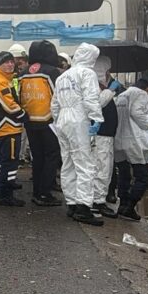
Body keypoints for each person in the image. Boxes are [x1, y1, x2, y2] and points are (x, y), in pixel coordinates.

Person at [51, 43, 104, 226]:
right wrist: (96, 119)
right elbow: (91, 98)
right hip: (79, 118)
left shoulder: (63, 76)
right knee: (85, 164)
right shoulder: (87, 74)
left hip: (63, 120)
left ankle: (72, 203)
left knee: (68, 163)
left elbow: (55, 104)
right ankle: (84, 207)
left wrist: (58, 121)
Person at [18, 40, 63, 206]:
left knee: (37, 158)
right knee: (51, 156)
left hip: (30, 120)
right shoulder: (52, 72)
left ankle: (37, 191)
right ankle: (44, 193)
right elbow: (58, 96)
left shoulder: (23, 72)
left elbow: (19, 94)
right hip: (49, 121)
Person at [113, 78, 148, 221]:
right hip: (135, 140)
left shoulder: (122, 95)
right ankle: (130, 207)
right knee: (143, 176)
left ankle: (122, 204)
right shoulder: (141, 94)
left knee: (124, 174)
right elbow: (137, 113)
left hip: (119, 139)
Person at [0, 52, 26, 207]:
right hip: (7, 127)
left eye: (11, 62)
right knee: (10, 163)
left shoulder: (5, 79)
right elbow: (9, 105)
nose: (10, 65)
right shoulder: (0, 81)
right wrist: (25, 115)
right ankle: (6, 194)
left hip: (3, 128)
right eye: (6, 62)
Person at [89, 56, 119, 218]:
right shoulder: (95, 87)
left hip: (106, 134)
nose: (109, 74)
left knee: (104, 168)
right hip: (100, 134)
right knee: (101, 168)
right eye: (107, 71)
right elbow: (97, 104)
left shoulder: (102, 86)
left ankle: (98, 199)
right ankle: (97, 201)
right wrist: (110, 90)